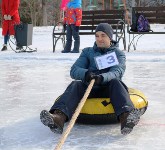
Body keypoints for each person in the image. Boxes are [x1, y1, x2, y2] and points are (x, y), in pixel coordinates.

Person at [40, 23, 141, 135]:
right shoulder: (88, 52)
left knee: (116, 82)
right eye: (97, 36)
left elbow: (117, 71)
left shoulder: (118, 54)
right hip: (90, 87)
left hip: (109, 88)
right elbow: (74, 70)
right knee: (75, 84)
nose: (99, 39)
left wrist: (102, 78)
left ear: (110, 37)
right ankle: (58, 118)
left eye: (103, 35)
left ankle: (126, 117)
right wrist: (86, 74)